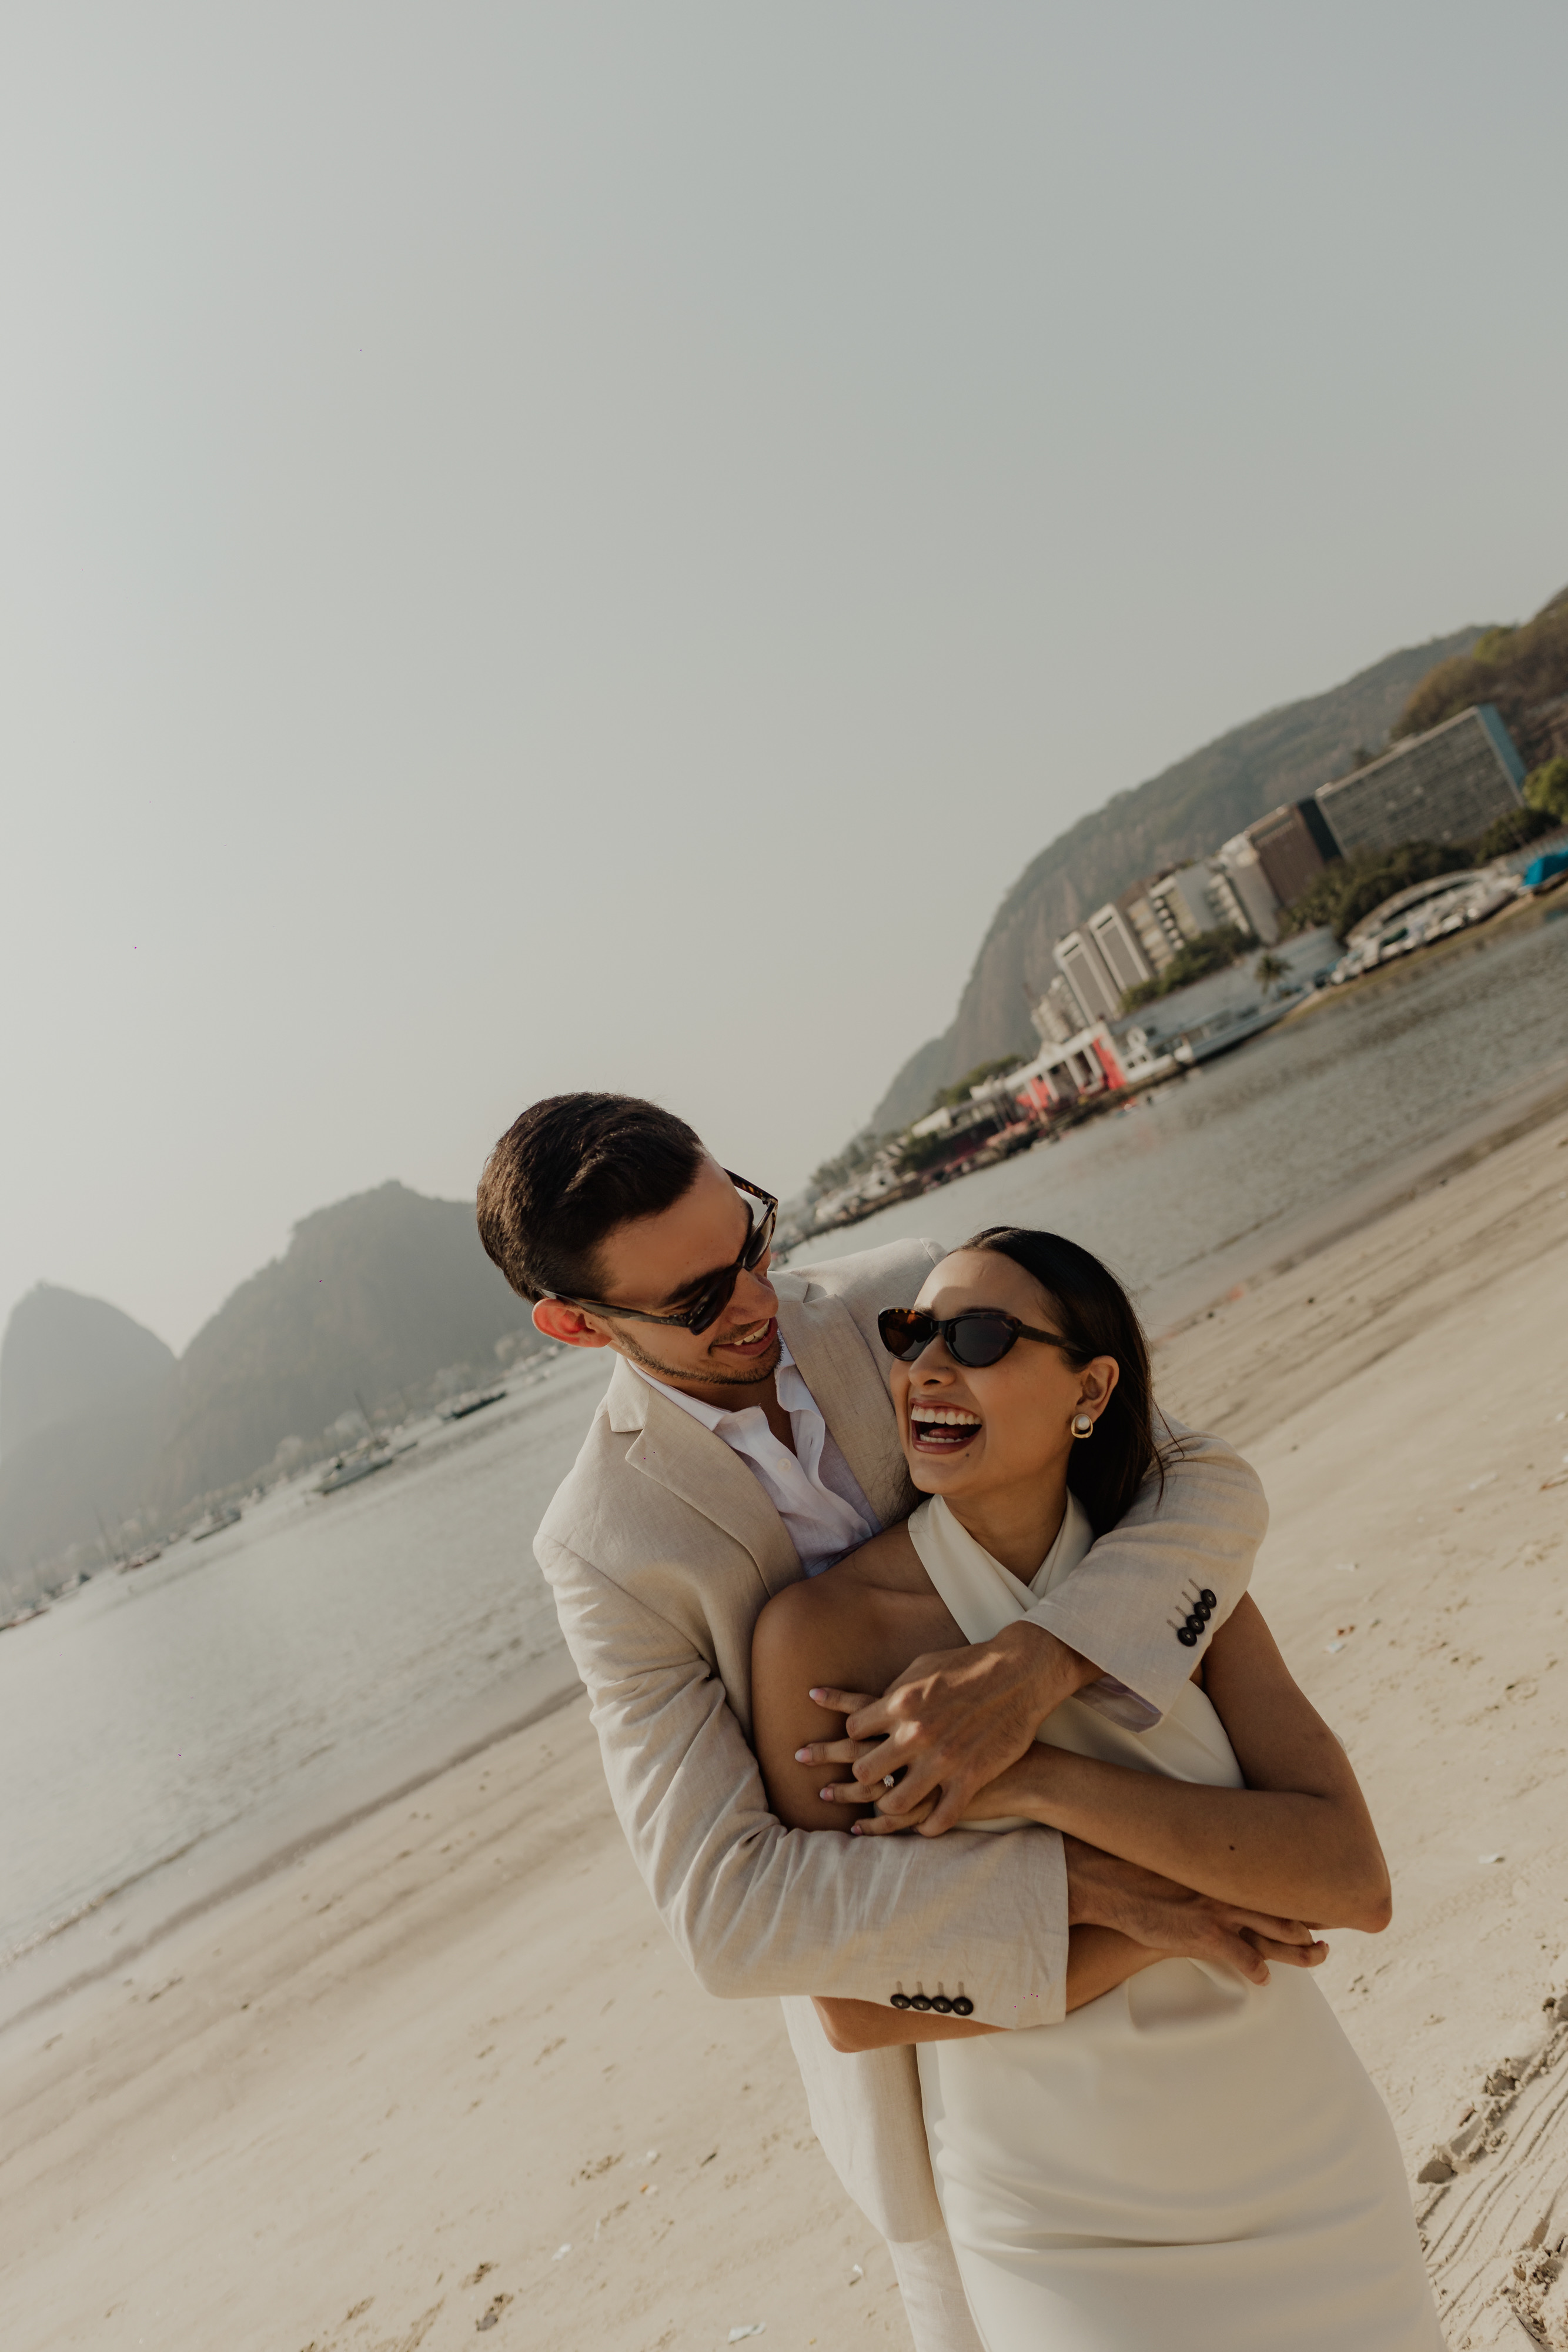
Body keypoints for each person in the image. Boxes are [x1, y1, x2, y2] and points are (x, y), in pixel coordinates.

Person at [476, 1094, 1297, 2352]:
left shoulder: (912, 1300)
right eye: (694, 1302)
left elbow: (1203, 1484)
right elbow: (727, 1911)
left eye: (748, 1239)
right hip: (935, 2054)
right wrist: (1092, 1883)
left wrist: (1034, 1664)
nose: (751, 1298)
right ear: (573, 1323)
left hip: (1194, 1983)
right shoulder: (602, 1544)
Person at [750, 1224, 1443, 2351]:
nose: (927, 1366)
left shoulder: (1171, 1575)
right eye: (913, 1333)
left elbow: (1352, 1881)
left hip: (1303, 2159)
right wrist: (1151, 1912)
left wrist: (1035, 1776)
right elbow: (857, 2006)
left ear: (1093, 1386)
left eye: (976, 1337)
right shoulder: (823, 1639)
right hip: (1057, 2224)